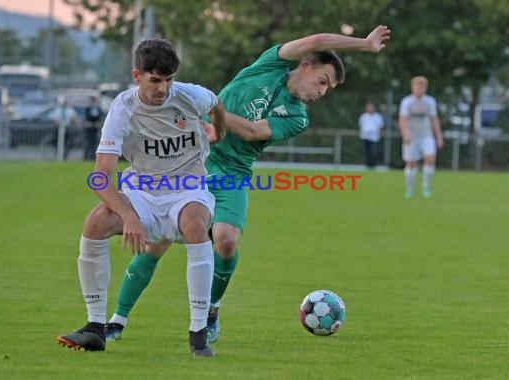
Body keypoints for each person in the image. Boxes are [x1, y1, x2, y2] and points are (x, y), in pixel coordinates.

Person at [104, 25, 391, 344]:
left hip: (232, 173)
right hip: (188, 163)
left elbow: (254, 131)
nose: (322, 92)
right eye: (322, 81)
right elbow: (316, 40)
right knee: (155, 243)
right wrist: (363, 44)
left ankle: (211, 310)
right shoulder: (271, 64)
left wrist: (212, 121)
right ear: (305, 66)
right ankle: (116, 321)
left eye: (329, 90)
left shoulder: (298, 117)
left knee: (226, 243)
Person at [56, 38, 226, 357]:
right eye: (155, 80)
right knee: (94, 223)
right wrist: (130, 215)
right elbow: (101, 178)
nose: (163, 88)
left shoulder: (188, 96)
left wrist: (219, 132)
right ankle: (95, 328)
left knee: (194, 226)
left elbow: (217, 104)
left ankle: (198, 334)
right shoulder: (122, 107)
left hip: (187, 189)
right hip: (142, 194)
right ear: (137, 75)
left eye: (169, 79)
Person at [398, 76, 443, 198]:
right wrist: (405, 134)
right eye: (417, 86)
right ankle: (409, 189)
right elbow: (403, 120)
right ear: (413, 88)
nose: (419, 89)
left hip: (426, 136)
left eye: (422, 87)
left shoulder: (430, 102)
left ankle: (426, 186)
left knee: (430, 159)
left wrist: (439, 137)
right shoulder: (407, 102)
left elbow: (434, 120)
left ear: (425, 88)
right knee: (411, 163)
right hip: (412, 136)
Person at [358, 101, 384, 168]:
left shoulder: (378, 116)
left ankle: (372, 165)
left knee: (373, 151)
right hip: (365, 136)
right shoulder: (363, 116)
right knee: (367, 151)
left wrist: (380, 135)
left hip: (374, 137)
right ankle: (367, 164)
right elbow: (361, 125)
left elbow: (380, 127)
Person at [83, 96, 104, 160]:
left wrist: (98, 124)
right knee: (88, 142)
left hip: (96, 129)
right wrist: (89, 124)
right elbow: (85, 119)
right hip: (88, 128)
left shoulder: (98, 109)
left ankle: (94, 156)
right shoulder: (87, 109)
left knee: (96, 142)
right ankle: (86, 156)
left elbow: (101, 118)